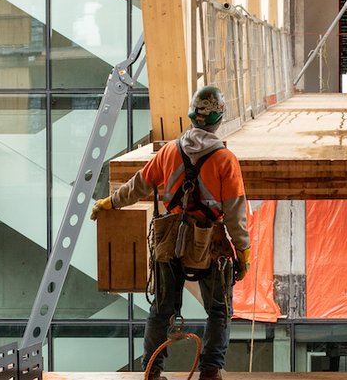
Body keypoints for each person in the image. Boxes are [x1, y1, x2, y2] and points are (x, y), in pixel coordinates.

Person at [91, 86, 251, 380]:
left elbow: (138, 185)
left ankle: (152, 372)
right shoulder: (225, 160)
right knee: (219, 310)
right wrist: (243, 253)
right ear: (219, 119)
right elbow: (235, 213)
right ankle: (210, 371)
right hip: (210, 246)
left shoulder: (168, 152)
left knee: (161, 310)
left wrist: (109, 202)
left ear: (192, 117)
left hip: (169, 243)